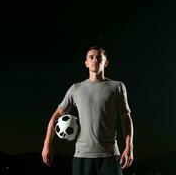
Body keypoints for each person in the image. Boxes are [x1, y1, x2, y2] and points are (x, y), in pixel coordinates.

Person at [41, 46, 134, 175]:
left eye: (99, 57)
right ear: (86, 63)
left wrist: (129, 146)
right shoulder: (76, 89)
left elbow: (126, 118)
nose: (95, 60)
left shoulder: (117, 87)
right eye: (91, 57)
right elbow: (55, 116)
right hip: (82, 155)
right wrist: (47, 144)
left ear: (105, 63)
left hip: (110, 156)